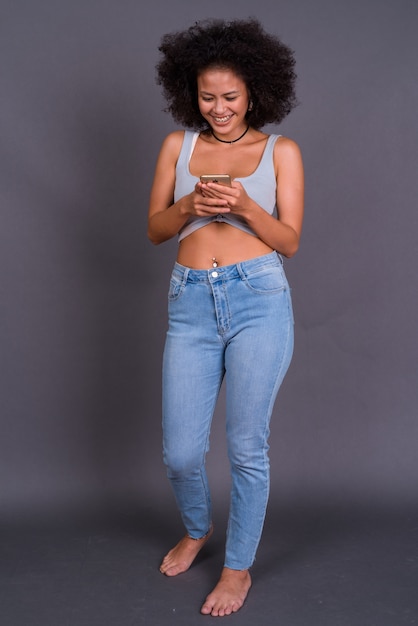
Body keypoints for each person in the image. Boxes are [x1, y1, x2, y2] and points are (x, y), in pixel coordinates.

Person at [147, 18, 304, 617]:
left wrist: (243, 205)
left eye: (230, 97)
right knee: (181, 452)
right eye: (207, 96)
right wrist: (188, 203)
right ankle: (197, 528)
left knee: (245, 446)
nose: (218, 108)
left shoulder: (281, 150)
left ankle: (237, 569)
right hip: (190, 302)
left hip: (258, 300)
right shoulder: (176, 148)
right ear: (191, 92)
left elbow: (289, 240)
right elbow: (156, 230)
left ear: (256, 92)